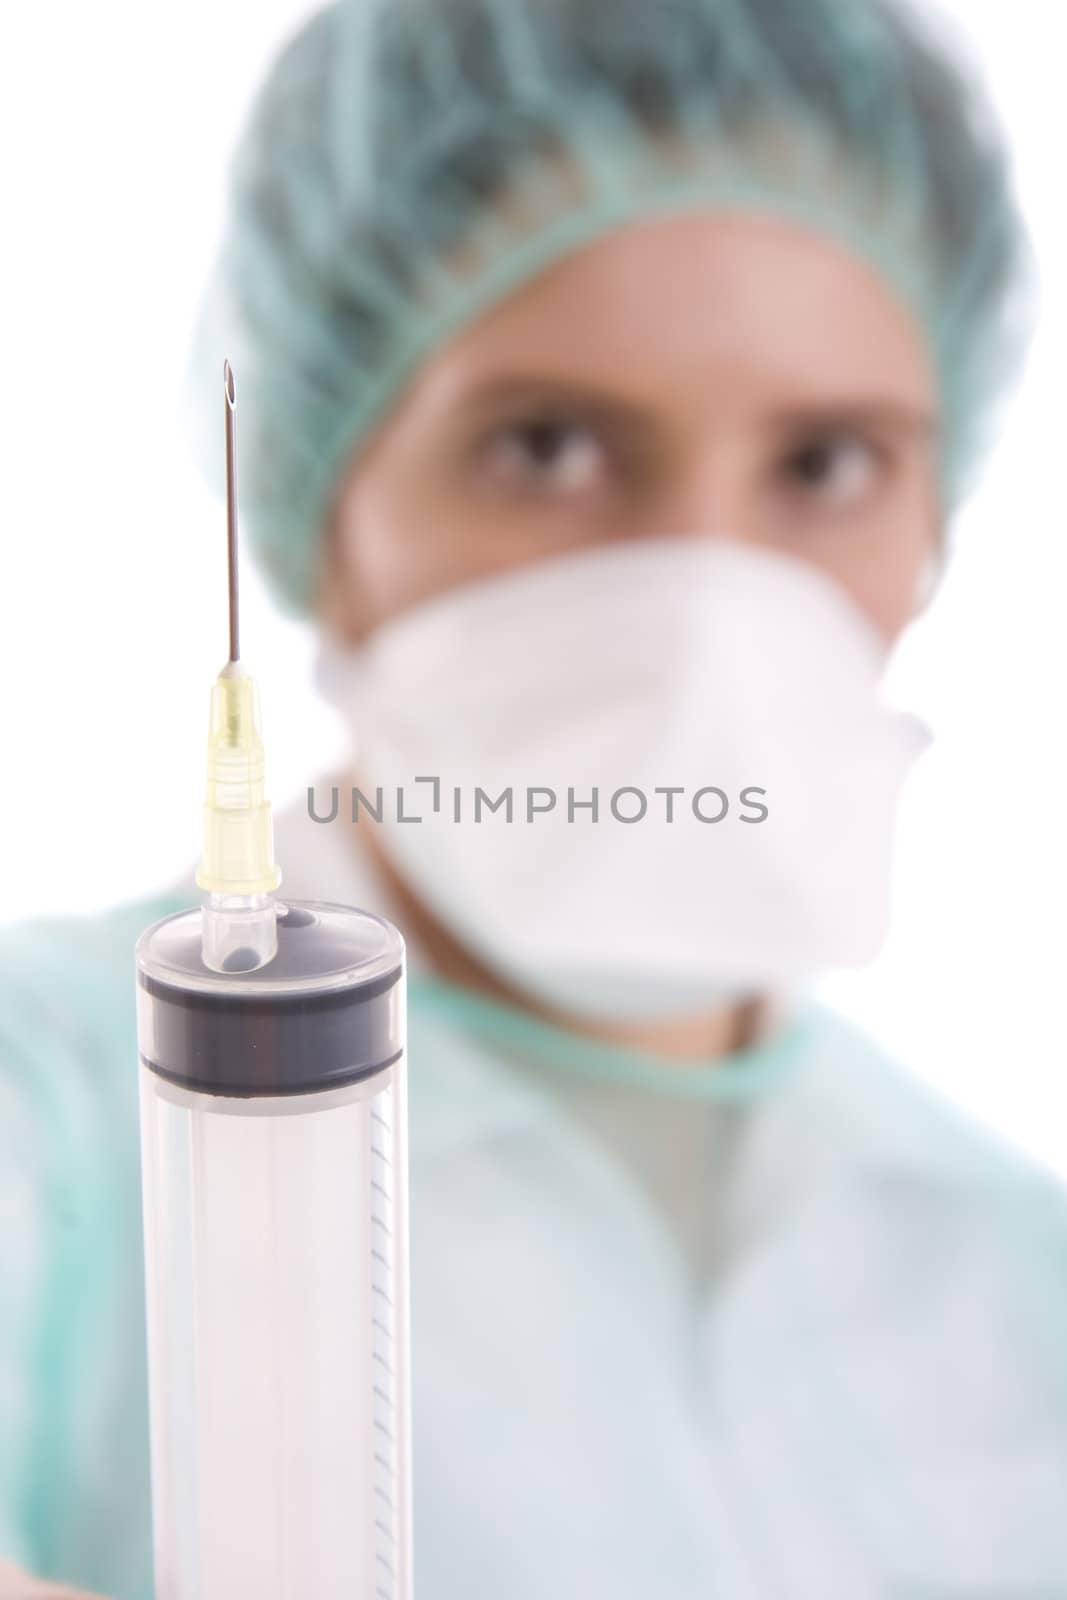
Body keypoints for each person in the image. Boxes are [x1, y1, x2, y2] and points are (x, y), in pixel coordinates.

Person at [3, 0, 1066, 1595]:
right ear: (318, 499)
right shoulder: (65, 1109)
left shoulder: (1009, 1269)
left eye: (829, 464)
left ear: (935, 520)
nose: (705, 595)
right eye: (548, 444)